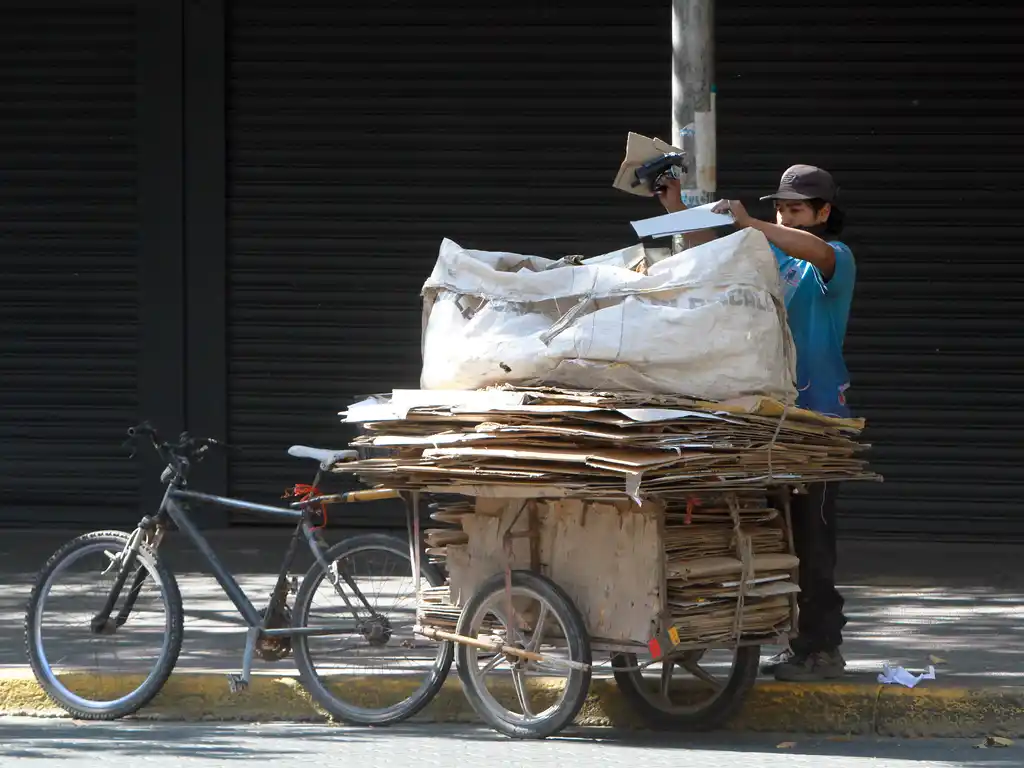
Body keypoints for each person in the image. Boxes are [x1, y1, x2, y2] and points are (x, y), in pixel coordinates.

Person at [656, 166, 855, 682]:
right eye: (781, 208)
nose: (786, 216)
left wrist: (754, 225)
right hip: (767, 415)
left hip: (817, 424)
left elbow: (816, 253)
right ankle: (788, 640)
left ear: (824, 213)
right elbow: (716, 256)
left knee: (813, 538)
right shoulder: (771, 256)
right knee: (774, 537)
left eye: (797, 209)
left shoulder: (833, 260)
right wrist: (676, 210)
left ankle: (823, 648)